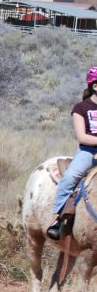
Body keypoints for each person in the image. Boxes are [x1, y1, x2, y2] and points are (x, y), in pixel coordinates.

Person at [47, 68, 97, 240]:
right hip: (88, 151)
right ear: (95, 86)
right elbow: (82, 136)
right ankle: (58, 220)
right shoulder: (81, 108)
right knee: (69, 178)